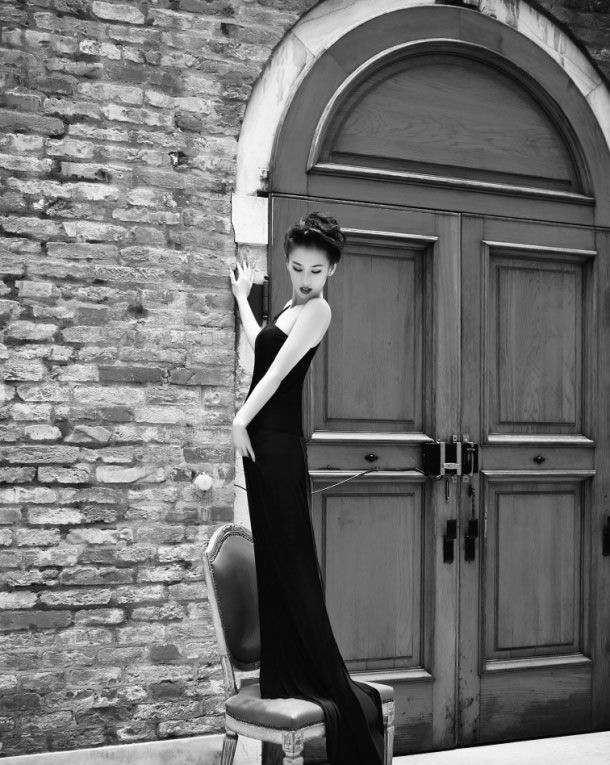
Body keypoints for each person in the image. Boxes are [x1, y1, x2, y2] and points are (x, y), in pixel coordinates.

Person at [229, 211, 385, 765]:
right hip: (261, 446)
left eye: (315, 271)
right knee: (274, 559)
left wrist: (239, 418)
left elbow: (275, 378)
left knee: (291, 560)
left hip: (275, 446)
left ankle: (317, 678)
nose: (304, 279)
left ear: (331, 270)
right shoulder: (291, 309)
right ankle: (284, 674)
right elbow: (265, 348)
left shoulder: (318, 311)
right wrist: (243, 300)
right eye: (297, 268)